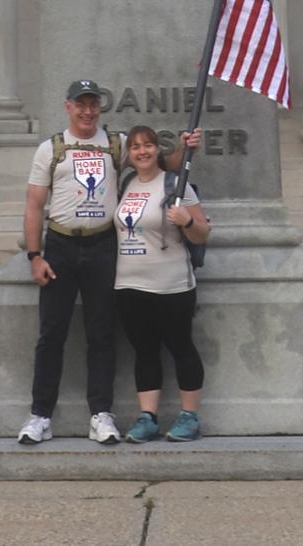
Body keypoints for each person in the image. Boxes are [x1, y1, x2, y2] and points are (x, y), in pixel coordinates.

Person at [19, 81, 199, 445]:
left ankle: (100, 413)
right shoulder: (50, 149)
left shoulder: (115, 144)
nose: (88, 112)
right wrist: (34, 256)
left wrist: (184, 147)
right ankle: (40, 414)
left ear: (99, 108)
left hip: (103, 245)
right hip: (61, 245)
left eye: (93, 105)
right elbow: (34, 205)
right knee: (51, 333)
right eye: (81, 105)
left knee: (101, 333)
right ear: (68, 106)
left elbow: (161, 163)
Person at [114, 124, 210, 443]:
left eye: (148, 145)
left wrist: (188, 221)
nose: (142, 151)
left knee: (181, 347)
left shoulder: (175, 185)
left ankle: (189, 416)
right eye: (136, 146)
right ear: (129, 154)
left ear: (158, 149)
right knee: (144, 352)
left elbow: (202, 233)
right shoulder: (125, 183)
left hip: (171, 284)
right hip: (129, 284)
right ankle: (148, 417)